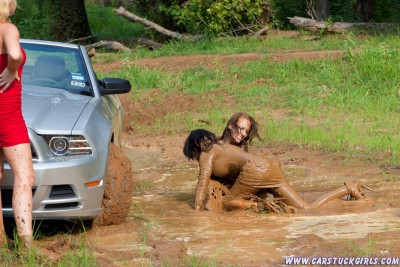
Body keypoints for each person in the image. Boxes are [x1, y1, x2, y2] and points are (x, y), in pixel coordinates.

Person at [183, 129, 368, 212]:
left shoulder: (206, 153)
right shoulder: (223, 147)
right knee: (307, 208)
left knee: (227, 204)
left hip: (256, 170)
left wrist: (196, 212)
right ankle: (348, 188)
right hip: (270, 164)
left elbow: (202, 181)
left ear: (194, 147)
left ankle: (260, 208)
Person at [0, 0, 35, 249]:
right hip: (6, 113)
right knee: (24, 176)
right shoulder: (7, 29)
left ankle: (1, 242)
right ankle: (25, 242)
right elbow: (14, 54)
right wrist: (12, 69)